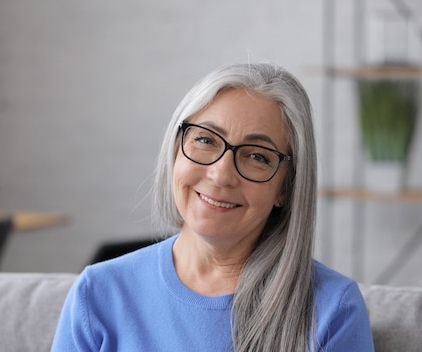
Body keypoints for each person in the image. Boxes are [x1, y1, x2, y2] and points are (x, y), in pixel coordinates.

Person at [51, 63, 374, 351]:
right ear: (176, 149)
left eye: (257, 156)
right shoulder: (98, 292)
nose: (221, 174)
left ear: (286, 188)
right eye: (206, 140)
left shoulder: (333, 307)